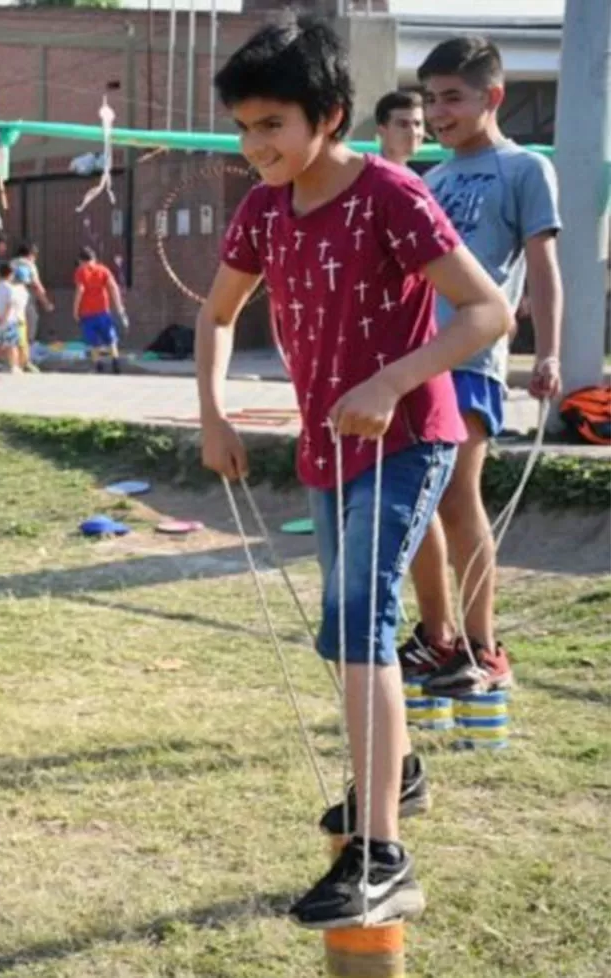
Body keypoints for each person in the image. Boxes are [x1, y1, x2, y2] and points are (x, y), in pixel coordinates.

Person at [201, 17, 511, 929]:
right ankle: (399, 773)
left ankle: (383, 859)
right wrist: (214, 413)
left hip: (411, 439)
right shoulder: (263, 207)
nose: (255, 145)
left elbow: (486, 313)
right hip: (325, 450)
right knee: (350, 625)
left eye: (272, 125)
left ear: (328, 116)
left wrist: (392, 379)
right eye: (243, 127)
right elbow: (219, 317)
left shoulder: (391, 192)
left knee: (358, 620)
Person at [393, 37, 564, 698]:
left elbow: (544, 273)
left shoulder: (524, 170)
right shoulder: (428, 182)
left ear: (491, 96)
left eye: (453, 98)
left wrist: (546, 352)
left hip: (475, 357)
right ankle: (438, 638)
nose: (439, 113)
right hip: (416, 361)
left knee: (458, 495)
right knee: (418, 501)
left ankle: (482, 646)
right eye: (430, 99)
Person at [73, 246, 128, 374]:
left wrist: (75, 310)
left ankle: (98, 365)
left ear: (81, 260)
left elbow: (80, 291)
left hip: (87, 313)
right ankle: (115, 361)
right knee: (110, 337)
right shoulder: (103, 270)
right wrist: (119, 306)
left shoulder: (80, 271)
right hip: (103, 310)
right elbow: (114, 287)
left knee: (93, 340)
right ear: (94, 258)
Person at [11, 243, 53, 373]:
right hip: (25, 301)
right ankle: (25, 362)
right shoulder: (29, 265)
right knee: (28, 331)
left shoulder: (11, 263)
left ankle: (14, 361)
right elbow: (36, 285)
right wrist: (46, 302)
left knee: (13, 331)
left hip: (10, 301)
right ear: (31, 254)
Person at [0, 261, 28, 374]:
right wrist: (4, 318)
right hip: (9, 321)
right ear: (10, 274)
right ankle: (14, 367)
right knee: (12, 345)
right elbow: (10, 304)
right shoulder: (10, 288)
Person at [375, 90, 425, 167]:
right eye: (403, 124)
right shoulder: (366, 176)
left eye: (417, 124)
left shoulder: (424, 177)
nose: (413, 132)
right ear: (382, 131)